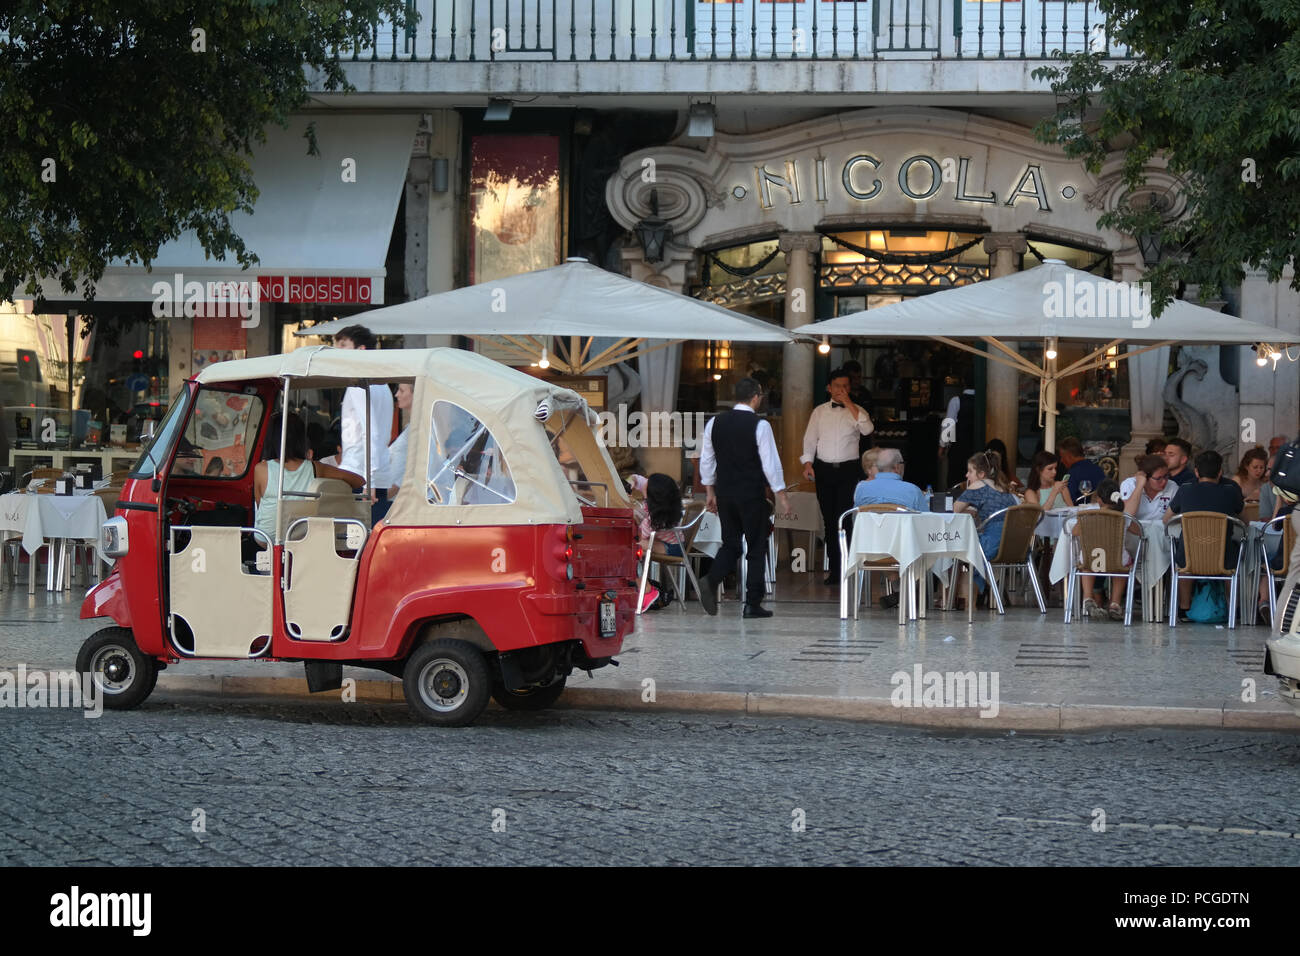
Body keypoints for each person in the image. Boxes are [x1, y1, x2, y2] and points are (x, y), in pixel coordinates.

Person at [699, 378, 789, 619]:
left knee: (731, 544)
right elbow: (771, 464)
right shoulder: (760, 425)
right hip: (751, 493)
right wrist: (781, 494)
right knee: (756, 548)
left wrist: (710, 492)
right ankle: (752, 603)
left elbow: (706, 459)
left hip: (725, 493)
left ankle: (712, 578)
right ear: (756, 396)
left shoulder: (714, 423)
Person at [801, 367, 875, 586]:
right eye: (837, 386)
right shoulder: (819, 412)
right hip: (823, 469)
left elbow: (867, 430)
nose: (841, 390)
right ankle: (835, 570)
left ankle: (848, 567)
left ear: (850, 388)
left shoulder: (858, 410)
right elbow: (810, 439)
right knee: (829, 520)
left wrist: (850, 404)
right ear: (829, 388)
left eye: (845, 386)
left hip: (849, 470)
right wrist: (807, 463)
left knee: (846, 519)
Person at [253, 412, 364, 545]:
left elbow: (261, 506)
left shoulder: (261, 469)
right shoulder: (316, 468)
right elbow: (359, 481)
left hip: (266, 539)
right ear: (302, 439)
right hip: (300, 538)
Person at [1164, 449, 1244, 622]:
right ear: (1220, 472)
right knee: (1234, 558)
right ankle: (1233, 610)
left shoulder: (1185, 489)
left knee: (1184, 561)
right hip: (1223, 556)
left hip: (1190, 556)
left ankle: (1184, 609)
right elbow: (1240, 513)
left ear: (1196, 472)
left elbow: (1167, 519)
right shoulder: (1231, 489)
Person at [333, 325, 394, 523]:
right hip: (376, 470)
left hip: (361, 472)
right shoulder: (383, 384)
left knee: (358, 540)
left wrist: (370, 479)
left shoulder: (358, 384)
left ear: (361, 350)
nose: (338, 351)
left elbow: (372, 432)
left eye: (343, 345)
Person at [953, 451, 1020, 603]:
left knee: (955, 544)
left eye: (970, 471)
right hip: (1014, 545)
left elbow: (954, 510)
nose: (967, 475)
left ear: (982, 474)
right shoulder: (1004, 488)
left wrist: (969, 493)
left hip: (993, 545)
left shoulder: (978, 486)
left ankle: (953, 598)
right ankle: (990, 591)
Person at [1076, 478, 1134, 621]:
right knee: (1122, 566)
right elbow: (1138, 530)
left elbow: (1074, 532)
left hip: (1093, 560)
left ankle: (1088, 597)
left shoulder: (1088, 515)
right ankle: (1115, 603)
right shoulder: (1123, 516)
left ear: (1099, 500)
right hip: (1116, 561)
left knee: (1087, 563)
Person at [853, 447, 927, 512]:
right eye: (902, 463)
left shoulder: (862, 489)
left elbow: (856, 519)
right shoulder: (913, 490)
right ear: (896, 467)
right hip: (901, 528)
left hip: (869, 528)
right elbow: (926, 520)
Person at [381, 383, 414, 515]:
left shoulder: (415, 431)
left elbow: (401, 478)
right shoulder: (410, 428)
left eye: (401, 391)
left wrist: (380, 497)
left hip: (395, 503)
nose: (397, 395)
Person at [1120, 454, 1175, 522]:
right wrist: (1139, 486)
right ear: (1145, 478)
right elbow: (1127, 514)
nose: (1164, 481)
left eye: (1166, 476)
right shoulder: (1129, 484)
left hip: (1162, 530)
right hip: (1136, 530)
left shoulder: (1172, 486)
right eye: (1158, 478)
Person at [1056, 437, 1105, 503]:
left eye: (1062, 457)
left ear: (1069, 456)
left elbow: (1067, 501)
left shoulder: (1072, 474)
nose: (1061, 460)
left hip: (1080, 511)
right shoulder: (1098, 469)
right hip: (1101, 510)